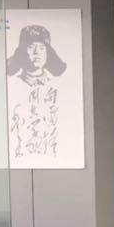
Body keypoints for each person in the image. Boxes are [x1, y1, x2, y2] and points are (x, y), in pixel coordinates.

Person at [6, 23, 68, 159]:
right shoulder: (12, 85)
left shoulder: (58, 87)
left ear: (48, 52)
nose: (37, 52)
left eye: (42, 48)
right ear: (22, 52)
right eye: (31, 47)